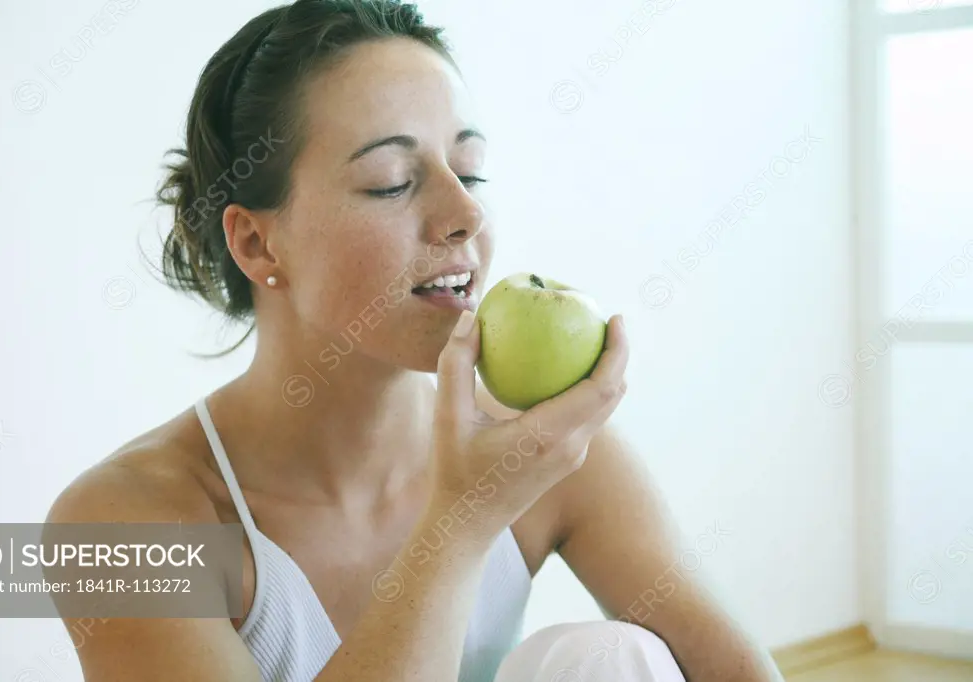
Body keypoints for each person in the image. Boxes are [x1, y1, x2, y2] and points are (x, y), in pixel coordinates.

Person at [47, 1, 785, 680]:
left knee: (606, 658)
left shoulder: (549, 453)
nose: (465, 212)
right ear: (258, 243)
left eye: (469, 170)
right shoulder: (112, 524)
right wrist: (461, 522)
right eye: (391, 181)